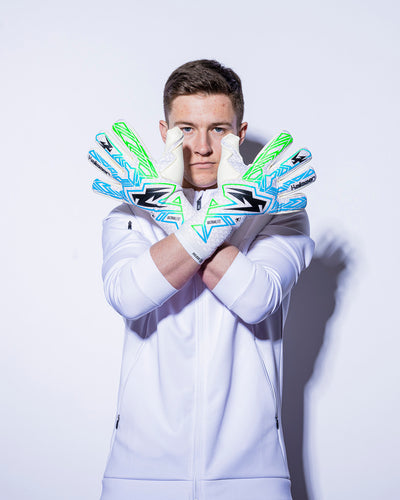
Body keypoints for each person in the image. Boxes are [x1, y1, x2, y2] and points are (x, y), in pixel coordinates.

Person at [94, 59, 315, 500]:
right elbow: (129, 295)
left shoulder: (281, 214)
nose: (202, 146)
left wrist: (191, 213)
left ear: (240, 130)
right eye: (185, 129)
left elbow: (255, 298)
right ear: (163, 132)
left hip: (252, 475)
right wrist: (171, 208)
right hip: (139, 474)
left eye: (218, 129)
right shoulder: (130, 214)